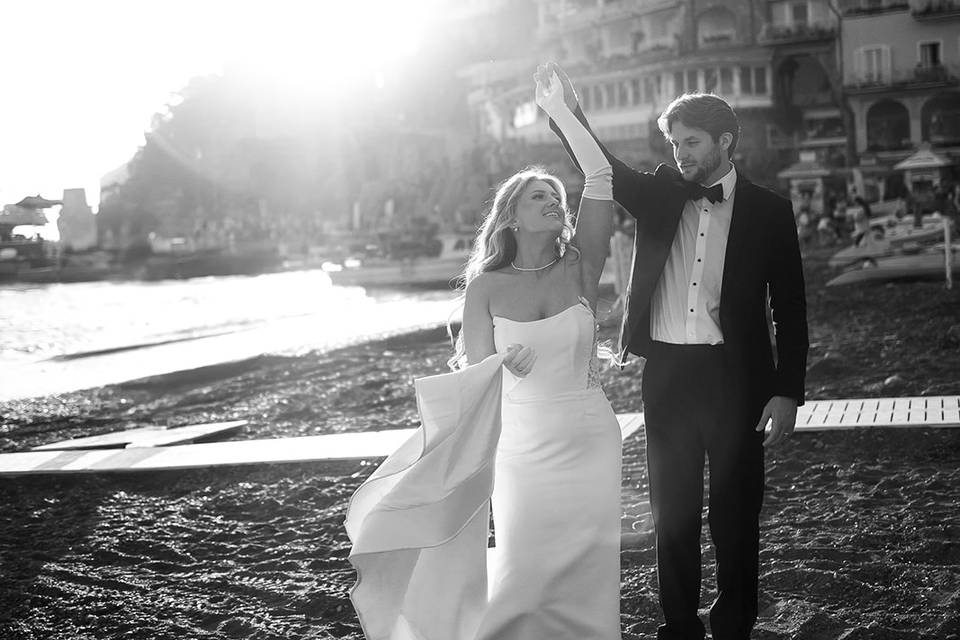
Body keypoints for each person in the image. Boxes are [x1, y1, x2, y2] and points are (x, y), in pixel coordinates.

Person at [346, 71, 623, 639]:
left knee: (592, 566)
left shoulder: (581, 266)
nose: (552, 201)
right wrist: (501, 364)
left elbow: (599, 175)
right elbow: (475, 381)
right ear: (512, 217)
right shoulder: (486, 288)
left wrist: (562, 113)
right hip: (522, 446)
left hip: (590, 434)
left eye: (556, 197)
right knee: (526, 570)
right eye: (537, 196)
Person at [544, 62, 809, 640]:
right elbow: (601, 165)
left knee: (736, 514)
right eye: (674, 142)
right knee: (673, 516)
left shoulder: (770, 211)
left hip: (738, 380)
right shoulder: (658, 192)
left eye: (692, 142)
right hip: (666, 375)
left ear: (725, 142)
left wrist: (789, 391)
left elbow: (789, 307)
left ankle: (735, 622)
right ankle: (679, 627)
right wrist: (565, 110)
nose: (682, 152)